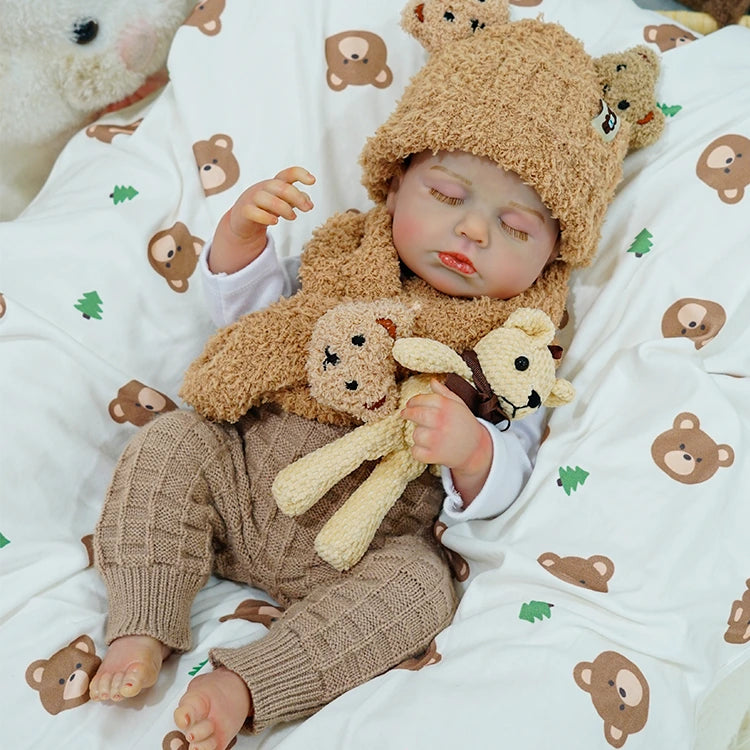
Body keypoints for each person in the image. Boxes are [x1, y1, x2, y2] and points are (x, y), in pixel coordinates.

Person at [88, 7, 631, 750]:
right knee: (174, 442)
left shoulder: (517, 348)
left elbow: (515, 469)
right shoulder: (342, 257)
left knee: (421, 589)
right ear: (397, 179)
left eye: (518, 226)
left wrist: (472, 449)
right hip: (242, 477)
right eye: (447, 195)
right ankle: (144, 622)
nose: (473, 231)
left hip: (367, 544)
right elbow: (252, 332)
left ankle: (247, 684)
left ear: (554, 257)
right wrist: (241, 240)